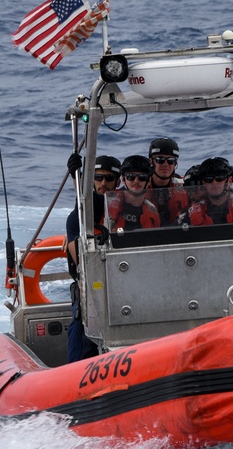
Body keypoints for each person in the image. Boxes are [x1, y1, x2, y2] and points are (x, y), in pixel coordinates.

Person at [65, 153, 120, 363]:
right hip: (92, 290)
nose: (103, 183)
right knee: (80, 334)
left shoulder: (130, 209)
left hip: (126, 287)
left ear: (118, 180)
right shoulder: (78, 218)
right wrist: (77, 178)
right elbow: (83, 263)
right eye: (97, 178)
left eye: (108, 178)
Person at [187, 157, 233, 226]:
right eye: (208, 179)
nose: (214, 183)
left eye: (219, 178)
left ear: (229, 180)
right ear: (203, 183)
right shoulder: (189, 215)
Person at [107, 155, 161, 231]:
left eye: (142, 177)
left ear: (148, 181)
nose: (136, 181)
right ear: (123, 179)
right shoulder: (107, 202)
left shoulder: (152, 211)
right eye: (130, 176)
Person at [145, 137, 190, 226]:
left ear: (175, 164)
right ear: (151, 161)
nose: (166, 165)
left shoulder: (184, 188)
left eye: (171, 161)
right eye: (160, 160)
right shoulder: (140, 187)